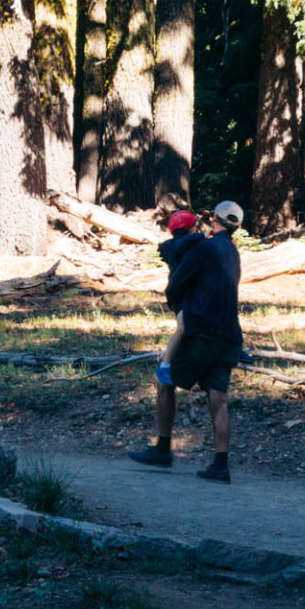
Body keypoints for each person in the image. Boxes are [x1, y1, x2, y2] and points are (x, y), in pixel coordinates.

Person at [128, 200, 244, 483]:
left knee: (165, 379)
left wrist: (179, 302)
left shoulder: (205, 248)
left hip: (201, 332)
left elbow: (177, 283)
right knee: (218, 396)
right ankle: (220, 465)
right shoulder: (233, 251)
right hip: (229, 334)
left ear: (214, 218)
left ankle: (164, 449)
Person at [154, 209, 204, 385]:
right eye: (194, 226)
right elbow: (192, 240)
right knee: (182, 327)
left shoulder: (174, 245)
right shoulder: (181, 245)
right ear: (189, 229)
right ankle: (165, 365)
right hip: (179, 293)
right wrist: (202, 236)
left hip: (184, 292)